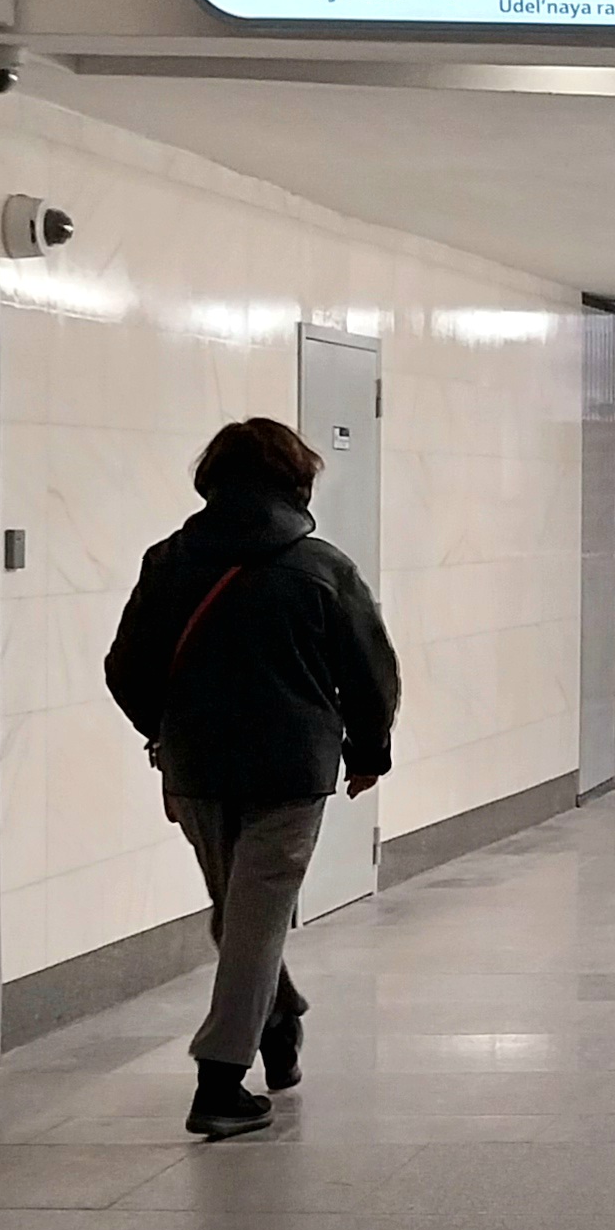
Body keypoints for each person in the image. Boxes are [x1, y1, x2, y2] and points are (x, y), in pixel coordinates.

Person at [106, 416, 401, 1139]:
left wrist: (163, 733)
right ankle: (219, 1082)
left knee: (240, 914)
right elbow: (371, 670)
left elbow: (126, 668)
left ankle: (276, 1018)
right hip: (290, 771)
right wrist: (369, 749)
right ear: (296, 484)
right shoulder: (322, 569)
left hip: (196, 769)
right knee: (252, 918)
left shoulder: (167, 562)